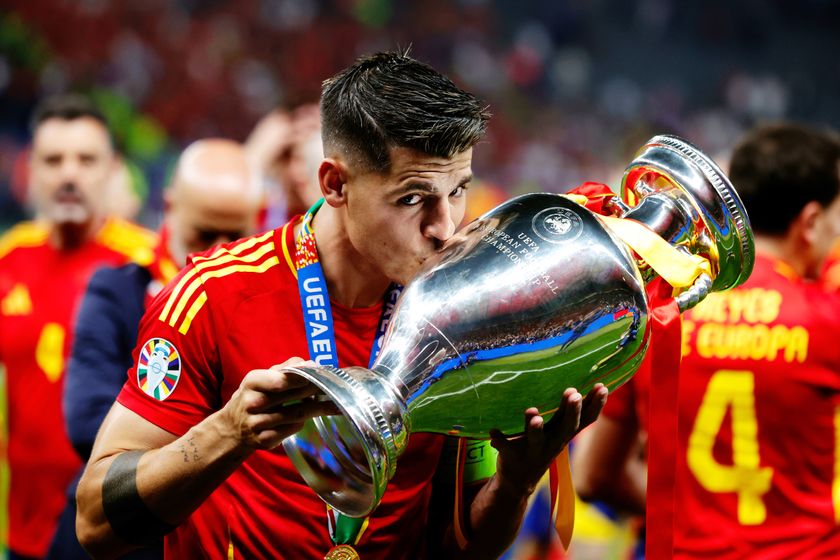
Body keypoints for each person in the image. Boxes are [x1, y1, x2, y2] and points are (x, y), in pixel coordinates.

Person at [75, 50, 608, 559]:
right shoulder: (214, 295)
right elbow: (96, 525)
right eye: (412, 198)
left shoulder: (465, 317)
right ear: (334, 183)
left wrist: (515, 482)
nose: (445, 229)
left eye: (458, 190)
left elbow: (456, 547)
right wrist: (228, 432)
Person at [574, 123, 840, 558]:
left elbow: (591, 477)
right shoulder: (829, 320)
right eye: (836, 219)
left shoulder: (659, 313)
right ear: (810, 222)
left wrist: (698, 521)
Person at [45, 138, 262, 559]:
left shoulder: (275, 299)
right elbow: (87, 421)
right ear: (170, 207)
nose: (218, 252)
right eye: (203, 234)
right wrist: (226, 438)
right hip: (129, 538)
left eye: (234, 235)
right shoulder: (119, 289)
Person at [0, 94, 157, 560]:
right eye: (53, 160)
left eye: (86, 160)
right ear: (33, 170)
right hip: (24, 527)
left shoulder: (146, 266)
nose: (69, 174)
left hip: (117, 530)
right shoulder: (9, 258)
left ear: (111, 169)